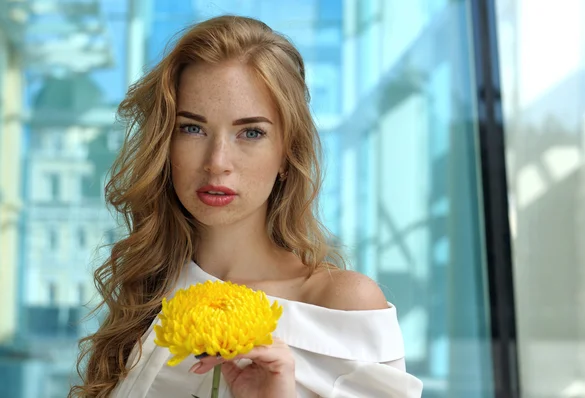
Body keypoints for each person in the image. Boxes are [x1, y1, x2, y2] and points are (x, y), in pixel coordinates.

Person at [69, 15, 423, 398]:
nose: (217, 161)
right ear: (165, 145)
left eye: (251, 132)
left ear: (287, 152)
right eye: (192, 128)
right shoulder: (148, 294)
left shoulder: (341, 306)